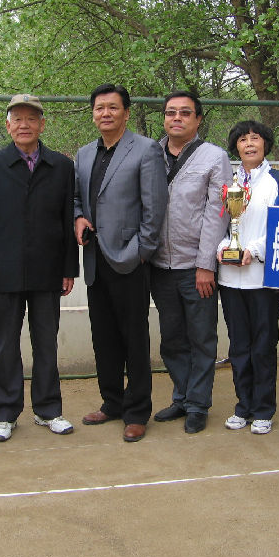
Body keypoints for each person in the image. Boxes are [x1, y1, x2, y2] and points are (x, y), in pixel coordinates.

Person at [0, 94, 79, 442]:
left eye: (31, 119)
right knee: (4, 343)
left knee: (46, 342)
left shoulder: (61, 166)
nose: (24, 125)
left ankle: (48, 409)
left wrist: (68, 267)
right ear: (8, 126)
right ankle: (5, 412)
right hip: (3, 272)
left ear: (42, 125)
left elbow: (67, 218)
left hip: (47, 270)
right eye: (17, 119)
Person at [74, 84, 168, 442]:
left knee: (134, 338)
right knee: (104, 336)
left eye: (113, 107)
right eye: (99, 108)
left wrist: (140, 251)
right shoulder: (84, 154)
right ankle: (112, 402)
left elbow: (154, 207)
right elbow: (77, 198)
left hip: (130, 259)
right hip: (95, 258)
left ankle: (137, 410)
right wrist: (78, 217)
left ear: (126, 113)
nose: (106, 113)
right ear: (93, 114)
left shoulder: (145, 149)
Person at [151, 90, 231, 434]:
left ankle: (198, 404)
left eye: (185, 113)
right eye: (171, 112)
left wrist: (205, 265)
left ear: (198, 119)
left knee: (201, 337)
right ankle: (181, 397)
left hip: (195, 267)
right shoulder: (151, 153)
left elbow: (218, 213)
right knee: (171, 338)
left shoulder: (214, 157)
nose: (177, 118)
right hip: (158, 265)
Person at [217, 120, 279, 435]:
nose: (249, 144)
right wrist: (223, 248)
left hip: (263, 278)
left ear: (266, 144)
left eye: (255, 138)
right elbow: (218, 222)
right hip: (230, 279)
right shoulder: (227, 180)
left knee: (263, 345)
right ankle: (243, 406)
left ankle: (263, 409)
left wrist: (254, 250)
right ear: (235, 146)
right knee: (238, 346)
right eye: (243, 139)